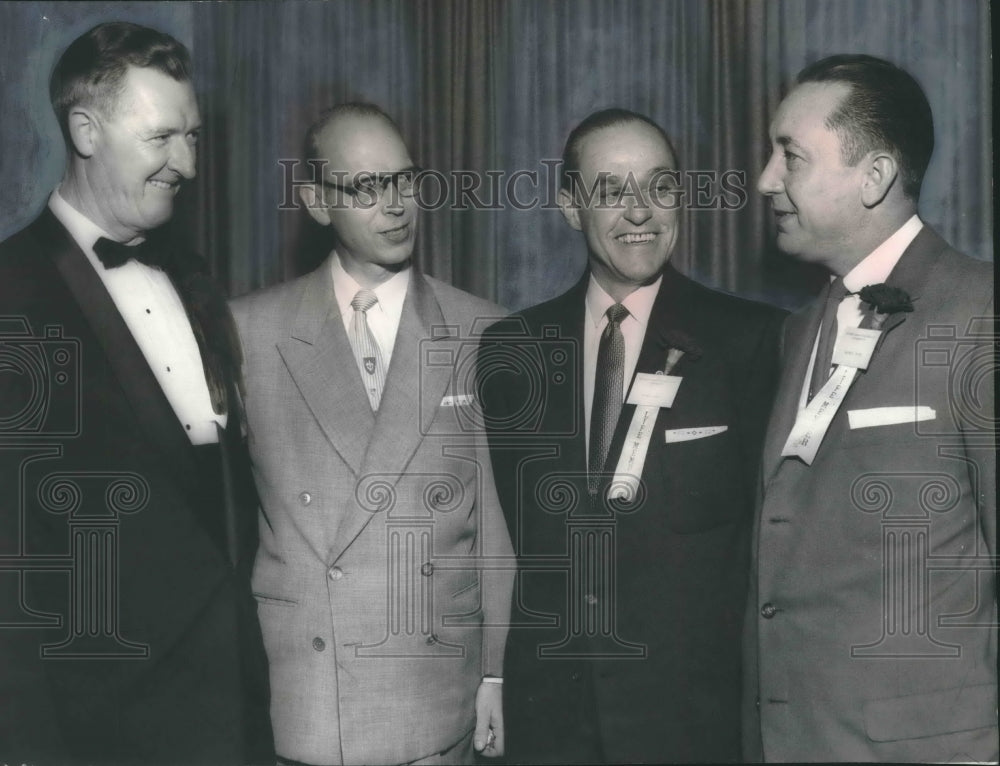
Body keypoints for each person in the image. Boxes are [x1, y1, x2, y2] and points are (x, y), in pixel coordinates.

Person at [0, 22, 273, 764]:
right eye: (161, 139)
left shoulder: (197, 281)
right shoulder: (10, 294)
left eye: (192, 137)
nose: (184, 162)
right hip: (104, 728)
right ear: (85, 130)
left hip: (234, 715)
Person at [478, 108, 785, 763]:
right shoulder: (513, 352)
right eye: (612, 190)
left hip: (694, 727)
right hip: (552, 727)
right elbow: (513, 542)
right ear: (568, 206)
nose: (640, 211)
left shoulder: (751, 343)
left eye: (660, 187)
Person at [230, 103, 514, 766]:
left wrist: (496, 673)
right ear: (316, 202)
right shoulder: (248, 333)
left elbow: (498, 532)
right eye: (365, 187)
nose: (394, 205)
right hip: (303, 703)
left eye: (405, 180)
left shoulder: (482, 332)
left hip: (433, 703)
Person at [744, 54, 997, 762]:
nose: (766, 180)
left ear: (874, 177)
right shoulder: (799, 330)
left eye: (789, 156)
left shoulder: (982, 315)